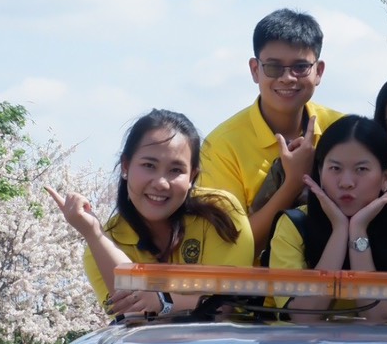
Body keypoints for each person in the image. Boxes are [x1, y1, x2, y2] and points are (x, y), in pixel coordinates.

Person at [48, 109, 253, 316]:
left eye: (176, 170)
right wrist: (95, 234)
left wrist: (162, 300)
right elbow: (132, 312)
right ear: (126, 166)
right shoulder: (100, 247)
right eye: (149, 165)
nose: (161, 183)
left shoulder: (221, 213)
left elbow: (226, 305)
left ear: (192, 176)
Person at [199, 8, 342, 256]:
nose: (287, 78)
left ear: (318, 71)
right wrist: (293, 183)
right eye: (274, 67)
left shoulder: (342, 130)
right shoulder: (221, 146)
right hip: (256, 281)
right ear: (255, 70)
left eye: (300, 67)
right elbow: (227, 247)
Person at [268, 114, 387, 319]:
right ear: (320, 172)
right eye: (335, 168)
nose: (346, 182)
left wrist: (358, 231)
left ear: (385, 177)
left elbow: (378, 315)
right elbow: (303, 316)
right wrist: (340, 231)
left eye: (361, 169)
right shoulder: (293, 225)